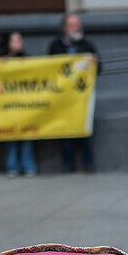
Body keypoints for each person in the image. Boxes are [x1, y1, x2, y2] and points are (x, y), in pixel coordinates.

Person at [48, 14, 99, 172]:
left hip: (82, 98)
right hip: (63, 98)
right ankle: (68, 164)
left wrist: (94, 62)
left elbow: (99, 69)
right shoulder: (56, 46)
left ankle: (88, 163)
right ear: (65, 28)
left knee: (85, 130)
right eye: (72, 25)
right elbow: (48, 69)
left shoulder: (87, 45)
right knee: (65, 131)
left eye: (78, 24)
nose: (76, 28)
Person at [0, 31, 37, 178]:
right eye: (14, 41)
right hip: (8, 105)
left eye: (19, 40)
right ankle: (12, 166)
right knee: (11, 136)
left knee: (27, 136)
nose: (18, 44)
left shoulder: (27, 59)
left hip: (24, 105)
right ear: (7, 43)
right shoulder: (0, 60)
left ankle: (28, 166)